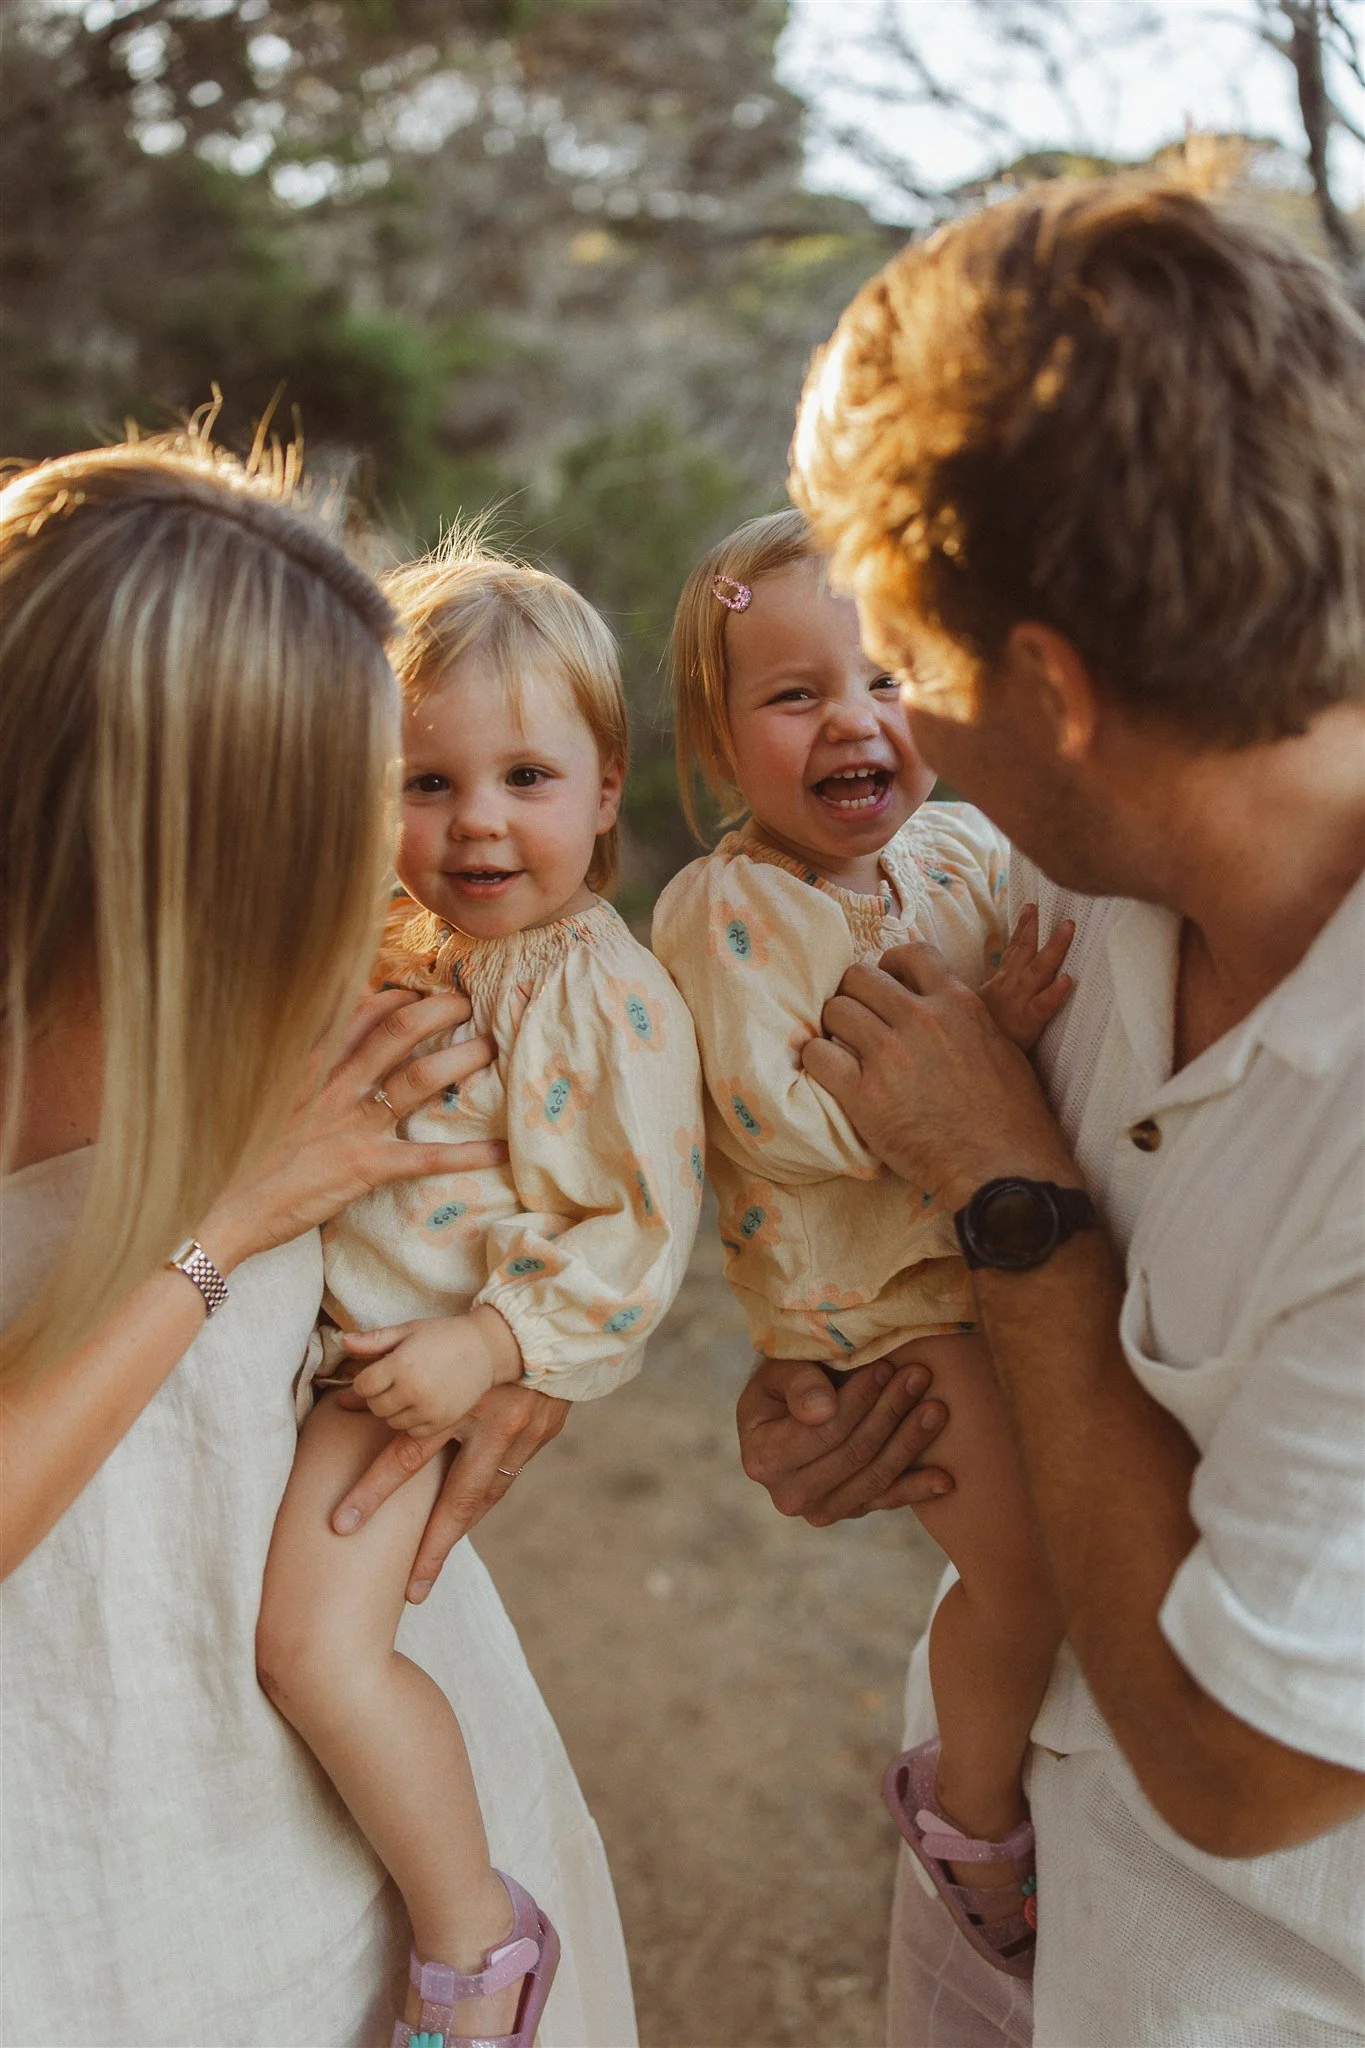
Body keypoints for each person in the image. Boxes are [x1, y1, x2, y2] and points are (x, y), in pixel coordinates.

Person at [737, 174, 1365, 2045]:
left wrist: (1012, 1206)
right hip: (1024, 1891)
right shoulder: (1080, 891)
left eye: (918, 672)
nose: (906, 736)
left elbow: (1248, 1778)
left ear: (1060, 689)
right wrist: (849, 1385)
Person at [0, 437, 637, 2048]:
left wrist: (518, 1359)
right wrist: (222, 1229)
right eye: (358, 786)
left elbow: (550, 1189)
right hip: (75, 1875)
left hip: (345, 1827)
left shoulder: (329, 985)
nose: (385, 846)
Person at [257, 541, 702, 2047]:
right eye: (425, 783)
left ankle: (478, 1945)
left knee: (312, 1646)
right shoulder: (389, 946)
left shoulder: (600, 985)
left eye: (527, 776)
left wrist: (496, 1341)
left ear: (603, 789)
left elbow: (635, 1219)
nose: (478, 823)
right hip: (329, 1344)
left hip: (407, 1375)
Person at [653, 508, 1073, 1973]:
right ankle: (969, 1817)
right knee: (1024, 1571)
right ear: (716, 742)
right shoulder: (726, 911)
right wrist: (978, 1068)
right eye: (795, 693)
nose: (857, 718)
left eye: (888, 674)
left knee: (1053, 1534)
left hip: (975, 1272)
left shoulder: (962, 853)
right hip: (876, 1302)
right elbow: (776, 1121)